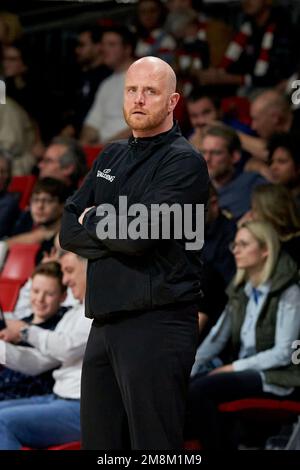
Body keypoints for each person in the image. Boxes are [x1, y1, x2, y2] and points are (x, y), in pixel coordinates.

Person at [60, 56, 209, 450]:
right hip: (104, 322)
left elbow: (139, 236)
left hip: (157, 323)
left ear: (172, 101)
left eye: (151, 91)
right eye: (132, 90)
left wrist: (94, 220)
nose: (139, 99)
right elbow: (66, 229)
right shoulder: (109, 155)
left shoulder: (185, 161)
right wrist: (111, 223)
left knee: (154, 449)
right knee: (101, 449)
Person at [187, 221, 300, 450]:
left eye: (243, 244)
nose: (235, 250)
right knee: (186, 384)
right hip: (247, 369)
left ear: (265, 249)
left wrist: (233, 367)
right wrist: (187, 365)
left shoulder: (289, 291)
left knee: (201, 389)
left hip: (279, 377)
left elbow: (283, 353)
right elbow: (216, 339)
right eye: (234, 244)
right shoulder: (240, 290)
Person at [0, 251, 91, 450]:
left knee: (1, 421)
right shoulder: (74, 313)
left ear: (89, 270)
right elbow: (40, 362)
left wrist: (25, 332)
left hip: (82, 408)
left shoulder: (98, 312)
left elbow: (67, 347)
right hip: (58, 398)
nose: (65, 279)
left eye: (69, 271)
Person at [0, 261, 68, 400]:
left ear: (63, 297)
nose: (40, 299)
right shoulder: (19, 320)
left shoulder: (62, 327)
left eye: (49, 294)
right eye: (36, 291)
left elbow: (34, 362)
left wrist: (19, 335)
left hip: (27, 397)